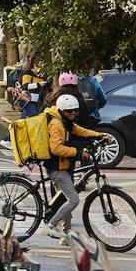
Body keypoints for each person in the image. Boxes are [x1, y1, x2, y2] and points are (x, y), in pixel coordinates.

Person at [42, 93, 108, 239]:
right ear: (61, 111)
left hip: (63, 166)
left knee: (66, 199)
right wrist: (78, 153)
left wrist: (99, 135)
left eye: (75, 111)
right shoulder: (57, 124)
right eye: (69, 111)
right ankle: (50, 225)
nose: (73, 114)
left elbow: (80, 130)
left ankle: (67, 232)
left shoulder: (65, 121)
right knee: (73, 200)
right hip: (57, 168)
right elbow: (56, 148)